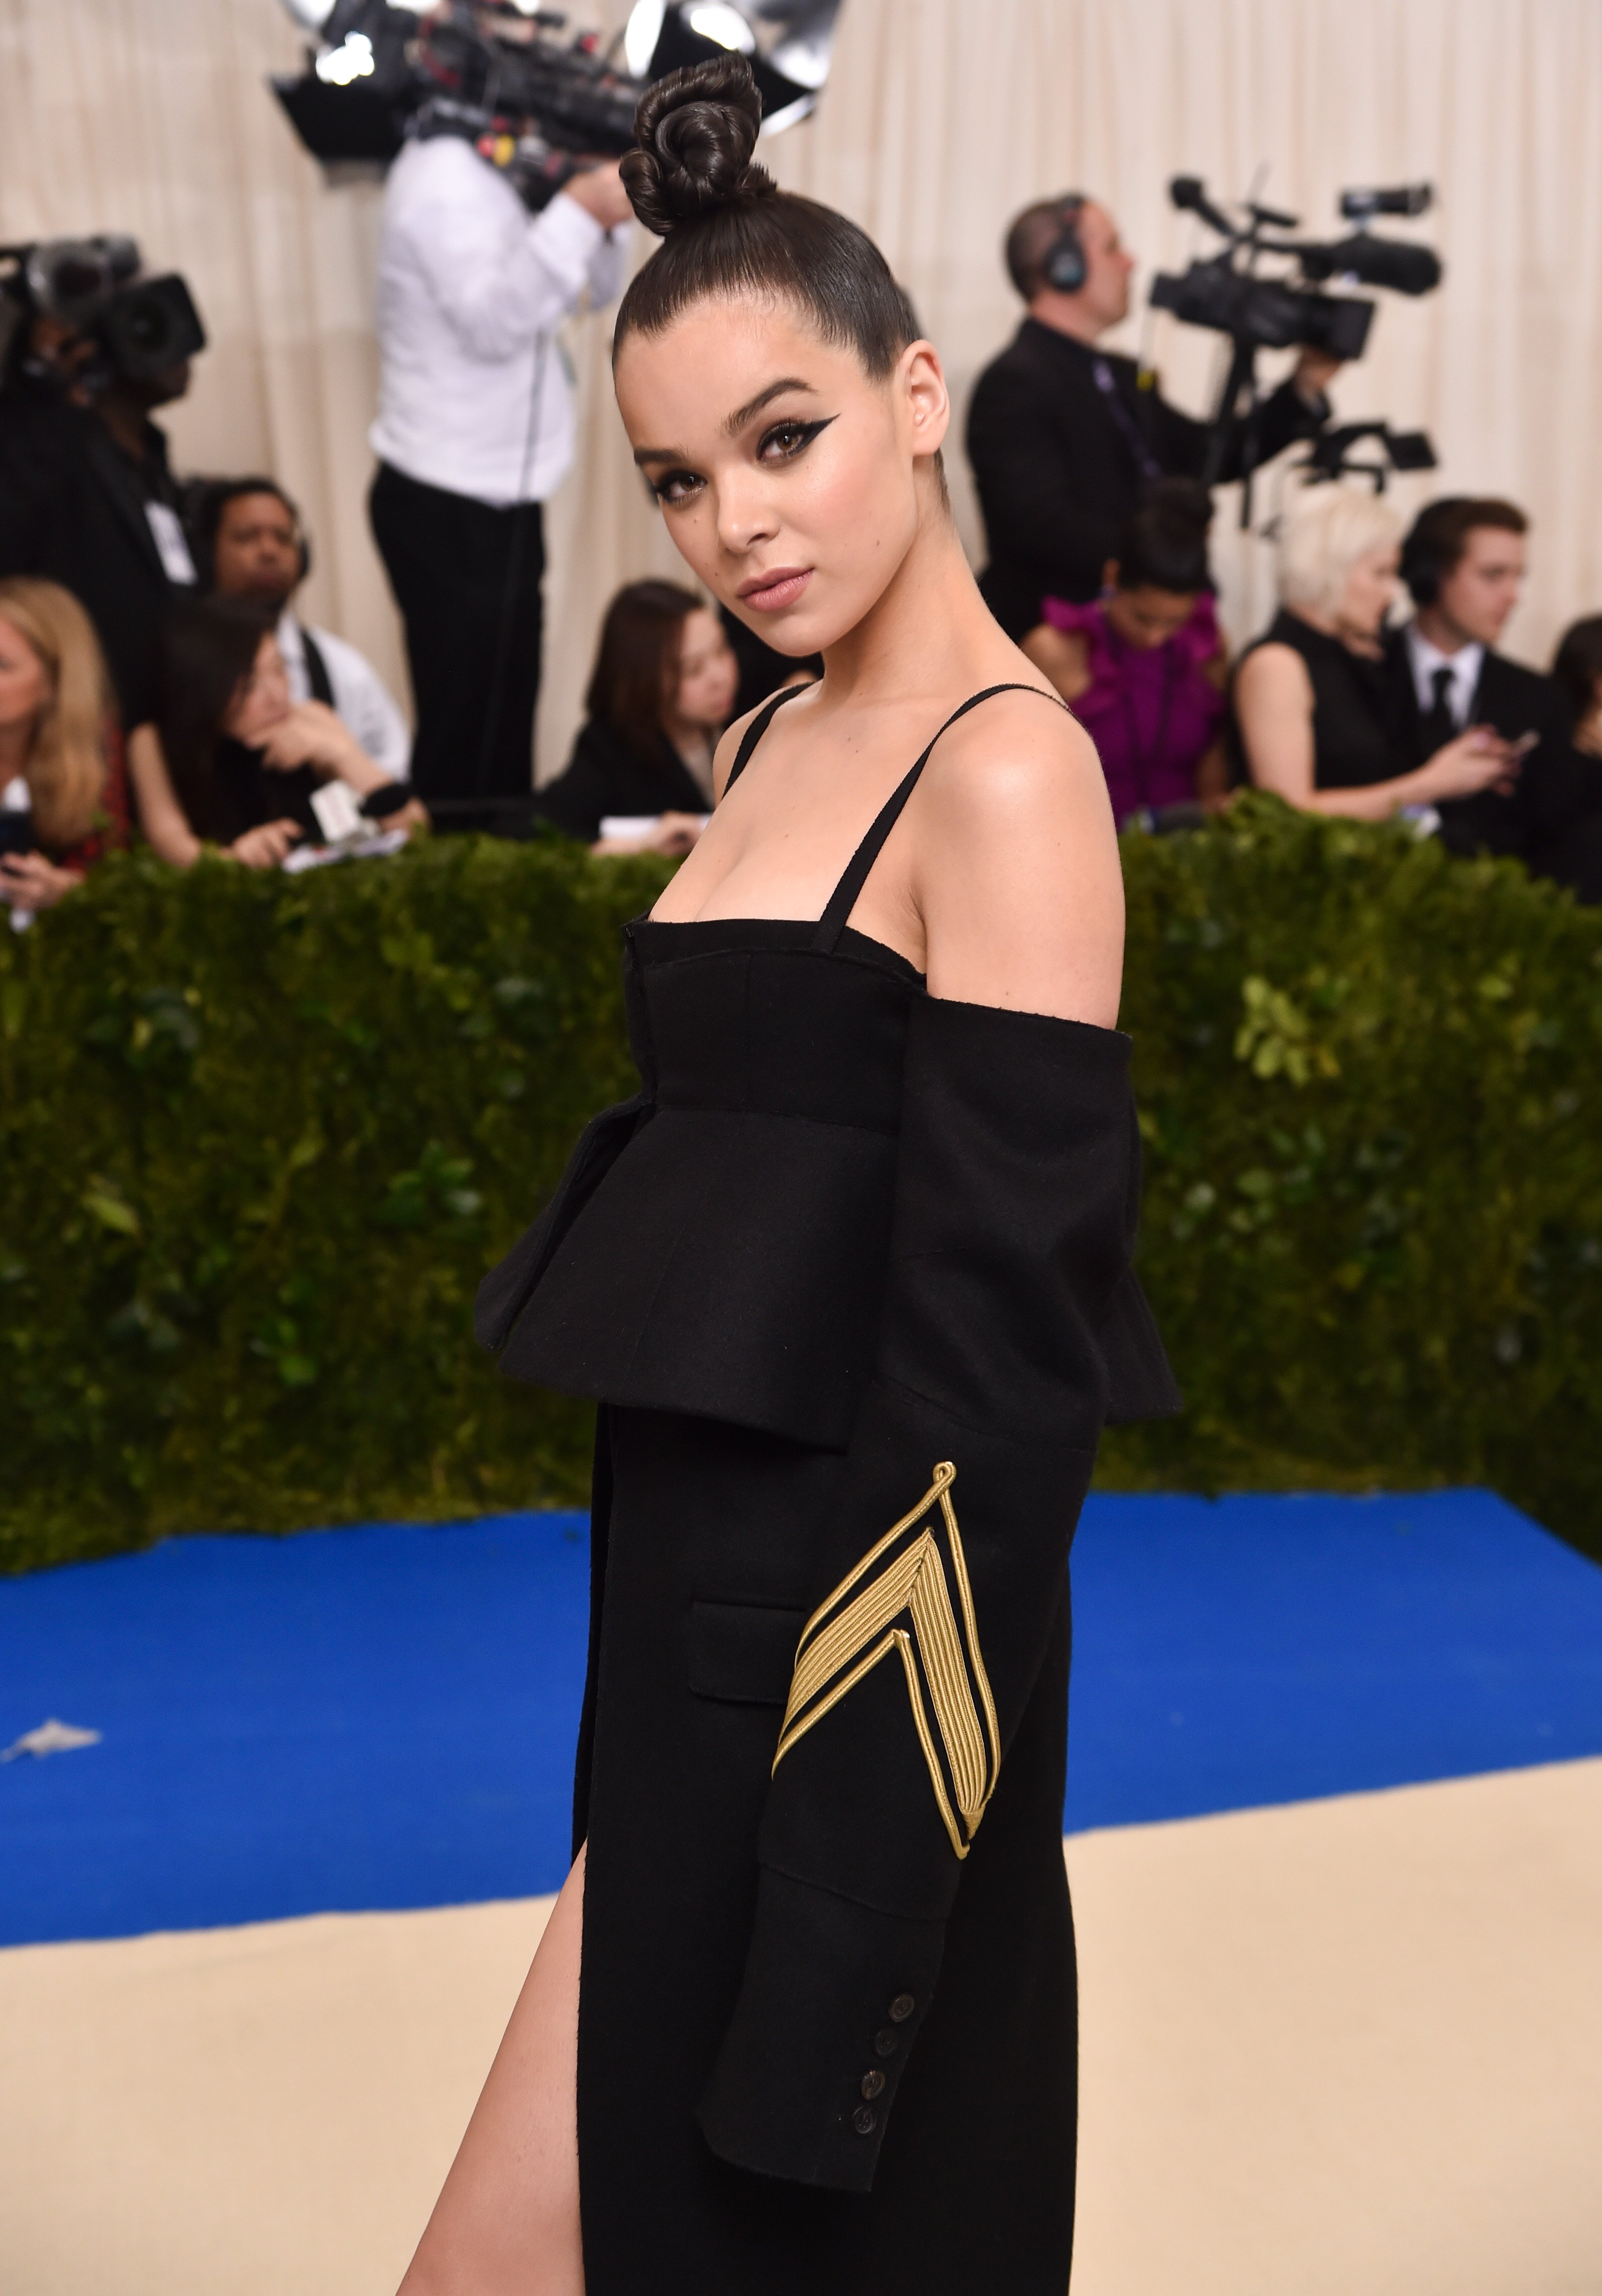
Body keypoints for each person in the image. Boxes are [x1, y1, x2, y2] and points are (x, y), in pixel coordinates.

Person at [420, 54, 1178, 2296]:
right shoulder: (761, 728)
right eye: (677, 478)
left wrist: (848, 1910)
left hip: (849, 1712)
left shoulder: (1010, 774)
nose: (735, 523)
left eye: (784, 438)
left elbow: (994, 1397)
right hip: (670, 1644)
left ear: (917, 397)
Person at [368, 136, 632, 827]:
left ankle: (501, 869)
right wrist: (578, 209)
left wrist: (601, 218)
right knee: (464, 738)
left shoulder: (506, 167)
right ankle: (450, 878)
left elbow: (589, 291)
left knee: (506, 729)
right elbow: (492, 322)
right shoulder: (442, 174)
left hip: (504, 494)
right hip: (444, 494)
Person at [966, 192, 1339, 638]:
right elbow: (1037, 525)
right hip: (1060, 642)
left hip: (1143, 636)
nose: (1130, 262)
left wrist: (1303, 387)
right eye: (1111, 248)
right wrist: (1160, 554)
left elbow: (1208, 456)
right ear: (1064, 268)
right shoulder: (1013, 381)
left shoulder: (1122, 375)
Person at [1231, 485, 1517, 823]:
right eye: (1381, 573)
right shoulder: (1277, 664)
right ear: (1329, 568)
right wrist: (1433, 783)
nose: (1392, 593)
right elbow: (1286, 813)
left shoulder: (1355, 656)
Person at [0, 287, 198, 728]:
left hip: (166, 722)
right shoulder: (50, 450)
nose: (180, 346)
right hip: (79, 720)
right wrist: (44, 384)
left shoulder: (153, 461)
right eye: (147, 325)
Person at [1386, 496, 1595, 875]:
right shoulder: (1361, 673)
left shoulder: (1542, 698)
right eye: (1493, 575)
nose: (1513, 596)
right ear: (1432, 574)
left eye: (1518, 577)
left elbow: (1558, 837)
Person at [128, 595, 416, 870]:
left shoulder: (308, 719)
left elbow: (412, 826)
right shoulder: (153, 740)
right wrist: (238, 860)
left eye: (279, 669)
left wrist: (343, 755)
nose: (276, 695)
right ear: (204, 689)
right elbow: (174, 847)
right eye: (249, 686)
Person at [1021, 478, 1228, 825]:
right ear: (1112, 577)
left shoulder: (1206, 646)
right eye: (1142, 618)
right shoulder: (1055, 650)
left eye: (1174, 622)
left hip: (1185, 840)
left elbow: (1214, 760)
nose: (1155, 637)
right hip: (1080, 839)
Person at [194, 477, 412, 782]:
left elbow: (395, 775)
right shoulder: (183, 662)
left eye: (284, 538)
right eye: (246, 537)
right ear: (205, 553)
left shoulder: (342, 666)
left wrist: (342, 757)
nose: (269, 550)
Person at [541, 580, 737, 854]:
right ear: (646, 679)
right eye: (693, 669)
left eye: (722, 649)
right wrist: (637, 846)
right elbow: (534, 831)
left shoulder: (752, 713)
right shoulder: (610, 750)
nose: (721, 677)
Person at [0, 576, 129, 915]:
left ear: (55, 683)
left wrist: (60, 889)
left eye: (2, 665)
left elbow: (114, 888)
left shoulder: (95, 748)